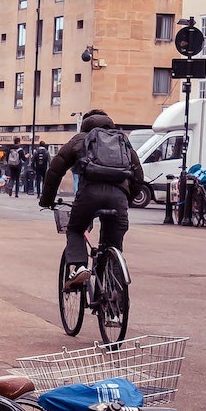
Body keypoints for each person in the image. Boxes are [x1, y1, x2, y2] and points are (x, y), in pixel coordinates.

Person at [41, 109, 142, 289]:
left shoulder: (80, 140)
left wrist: (47, 200)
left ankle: (80, 266)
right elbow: (138, 175)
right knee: (114, 243)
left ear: (85, 125)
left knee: (75, 229)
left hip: (90, 195)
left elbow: (55, 170)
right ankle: (114, 290)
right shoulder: (122, 141)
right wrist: (129, 197)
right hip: (118, 198)